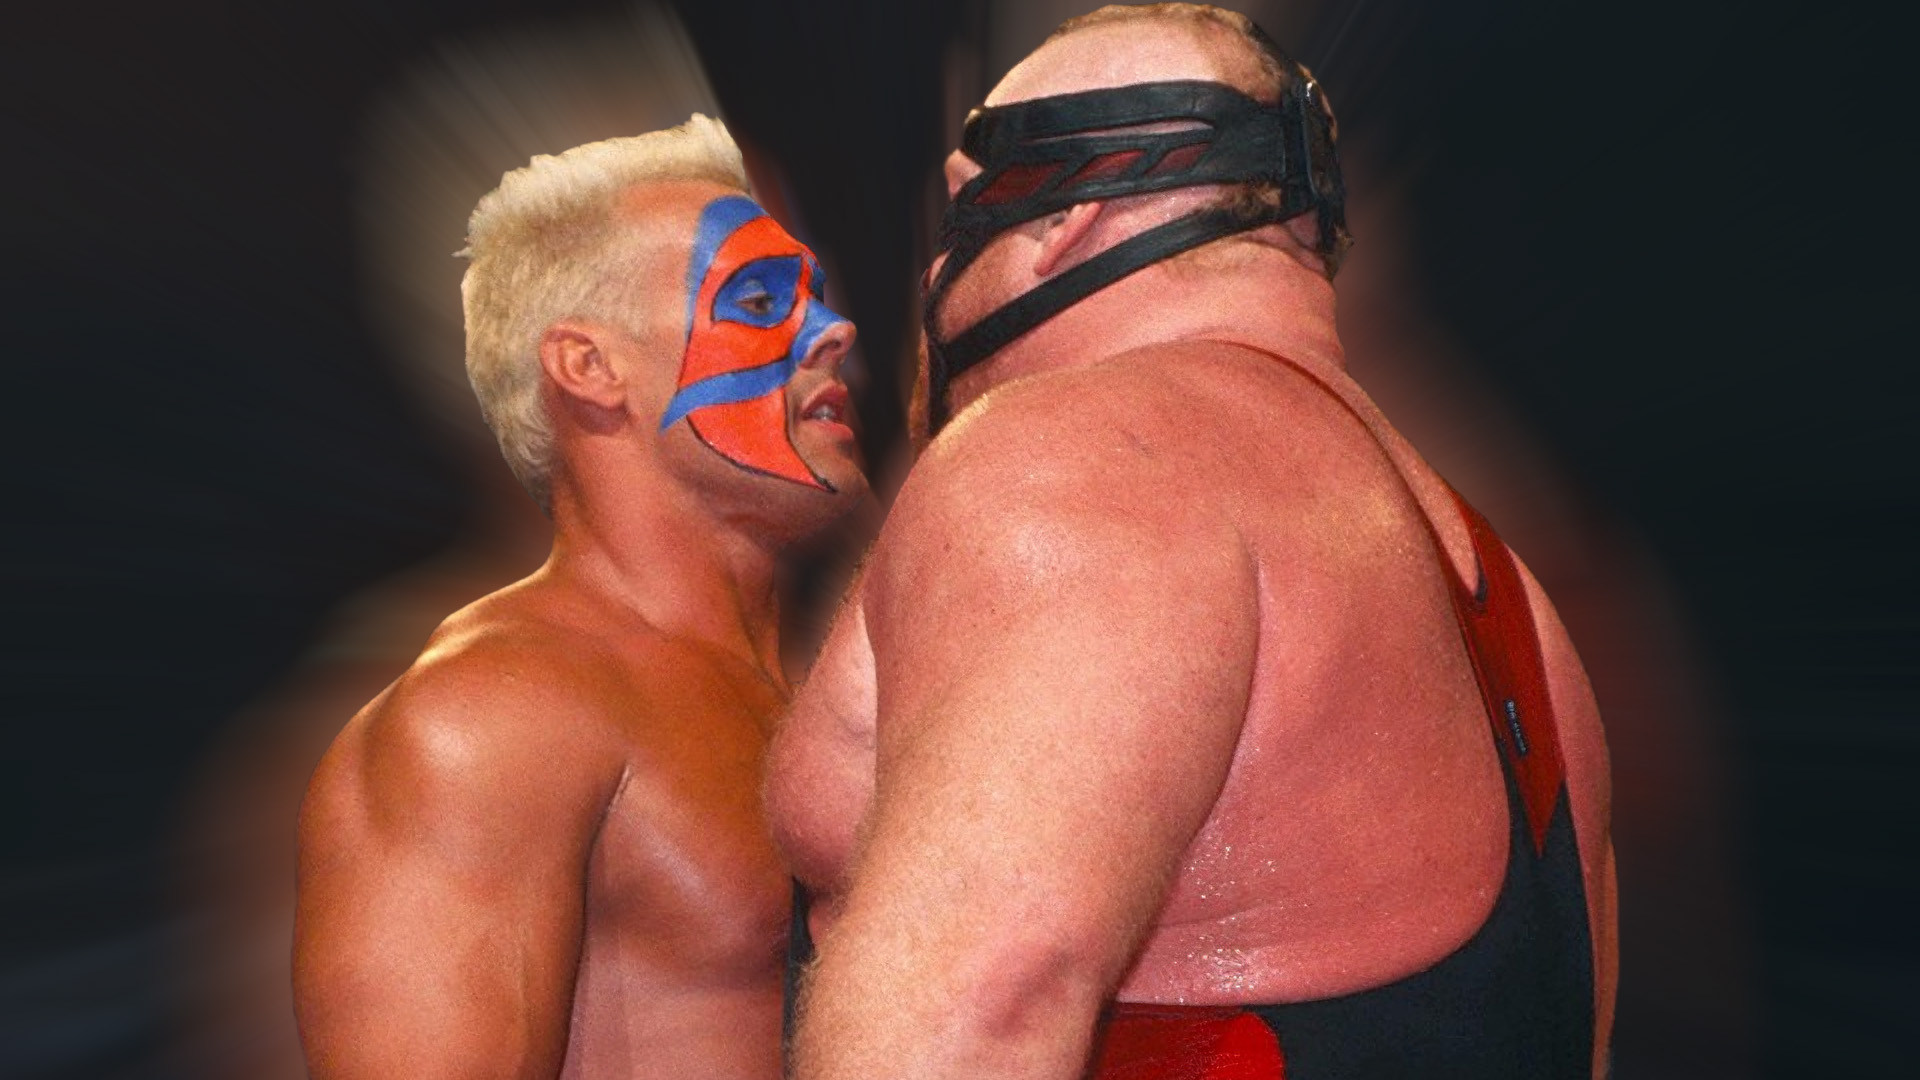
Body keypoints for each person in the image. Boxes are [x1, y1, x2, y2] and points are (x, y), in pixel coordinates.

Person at [768, 6, 1616, 1079]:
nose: (931, 272)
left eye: (960, 210)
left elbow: (970, 1020)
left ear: (1061, 221)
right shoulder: (1507, 597)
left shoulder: (1080, 464)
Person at [294, 115, 867, 1080]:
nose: (832, 329)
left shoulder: (831, 693)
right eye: (760, 298)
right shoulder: (492, 719)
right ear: (591, 368)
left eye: (813, 293)